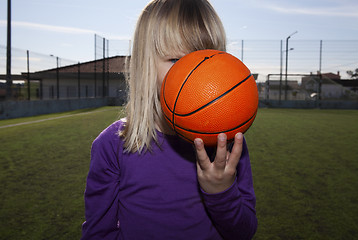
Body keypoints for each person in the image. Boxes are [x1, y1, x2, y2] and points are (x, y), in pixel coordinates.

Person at [81, 0, 257, 239]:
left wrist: (221, 191)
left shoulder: (227, 143)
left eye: (205, 59)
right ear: (146, 65)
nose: (193, 75)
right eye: (176, 60)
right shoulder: (112, 145)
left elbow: (243, 232)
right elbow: (98, 233)